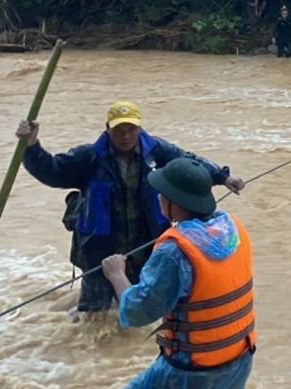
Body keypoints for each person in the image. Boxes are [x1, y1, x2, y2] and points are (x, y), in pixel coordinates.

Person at [91, 157, 255, 389]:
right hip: (237, 363)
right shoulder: (233, 227)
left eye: (161, 193)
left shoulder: (173, 251)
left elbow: (137, 311)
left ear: (174, 204)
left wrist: (117, 275)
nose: (156, 197)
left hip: (191, 374)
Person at [15, 101, 245, 315]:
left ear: (139, 128)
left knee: (150, 307)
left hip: (146, 244)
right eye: (119, 130)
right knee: (94, 316)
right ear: (107, 129)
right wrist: (32, 146)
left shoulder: (157, 151)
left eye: (131, 129)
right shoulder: (89, 157)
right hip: (99, 250)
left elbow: (188, 164)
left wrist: (222, 177)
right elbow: (53, 171)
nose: (125, 136)